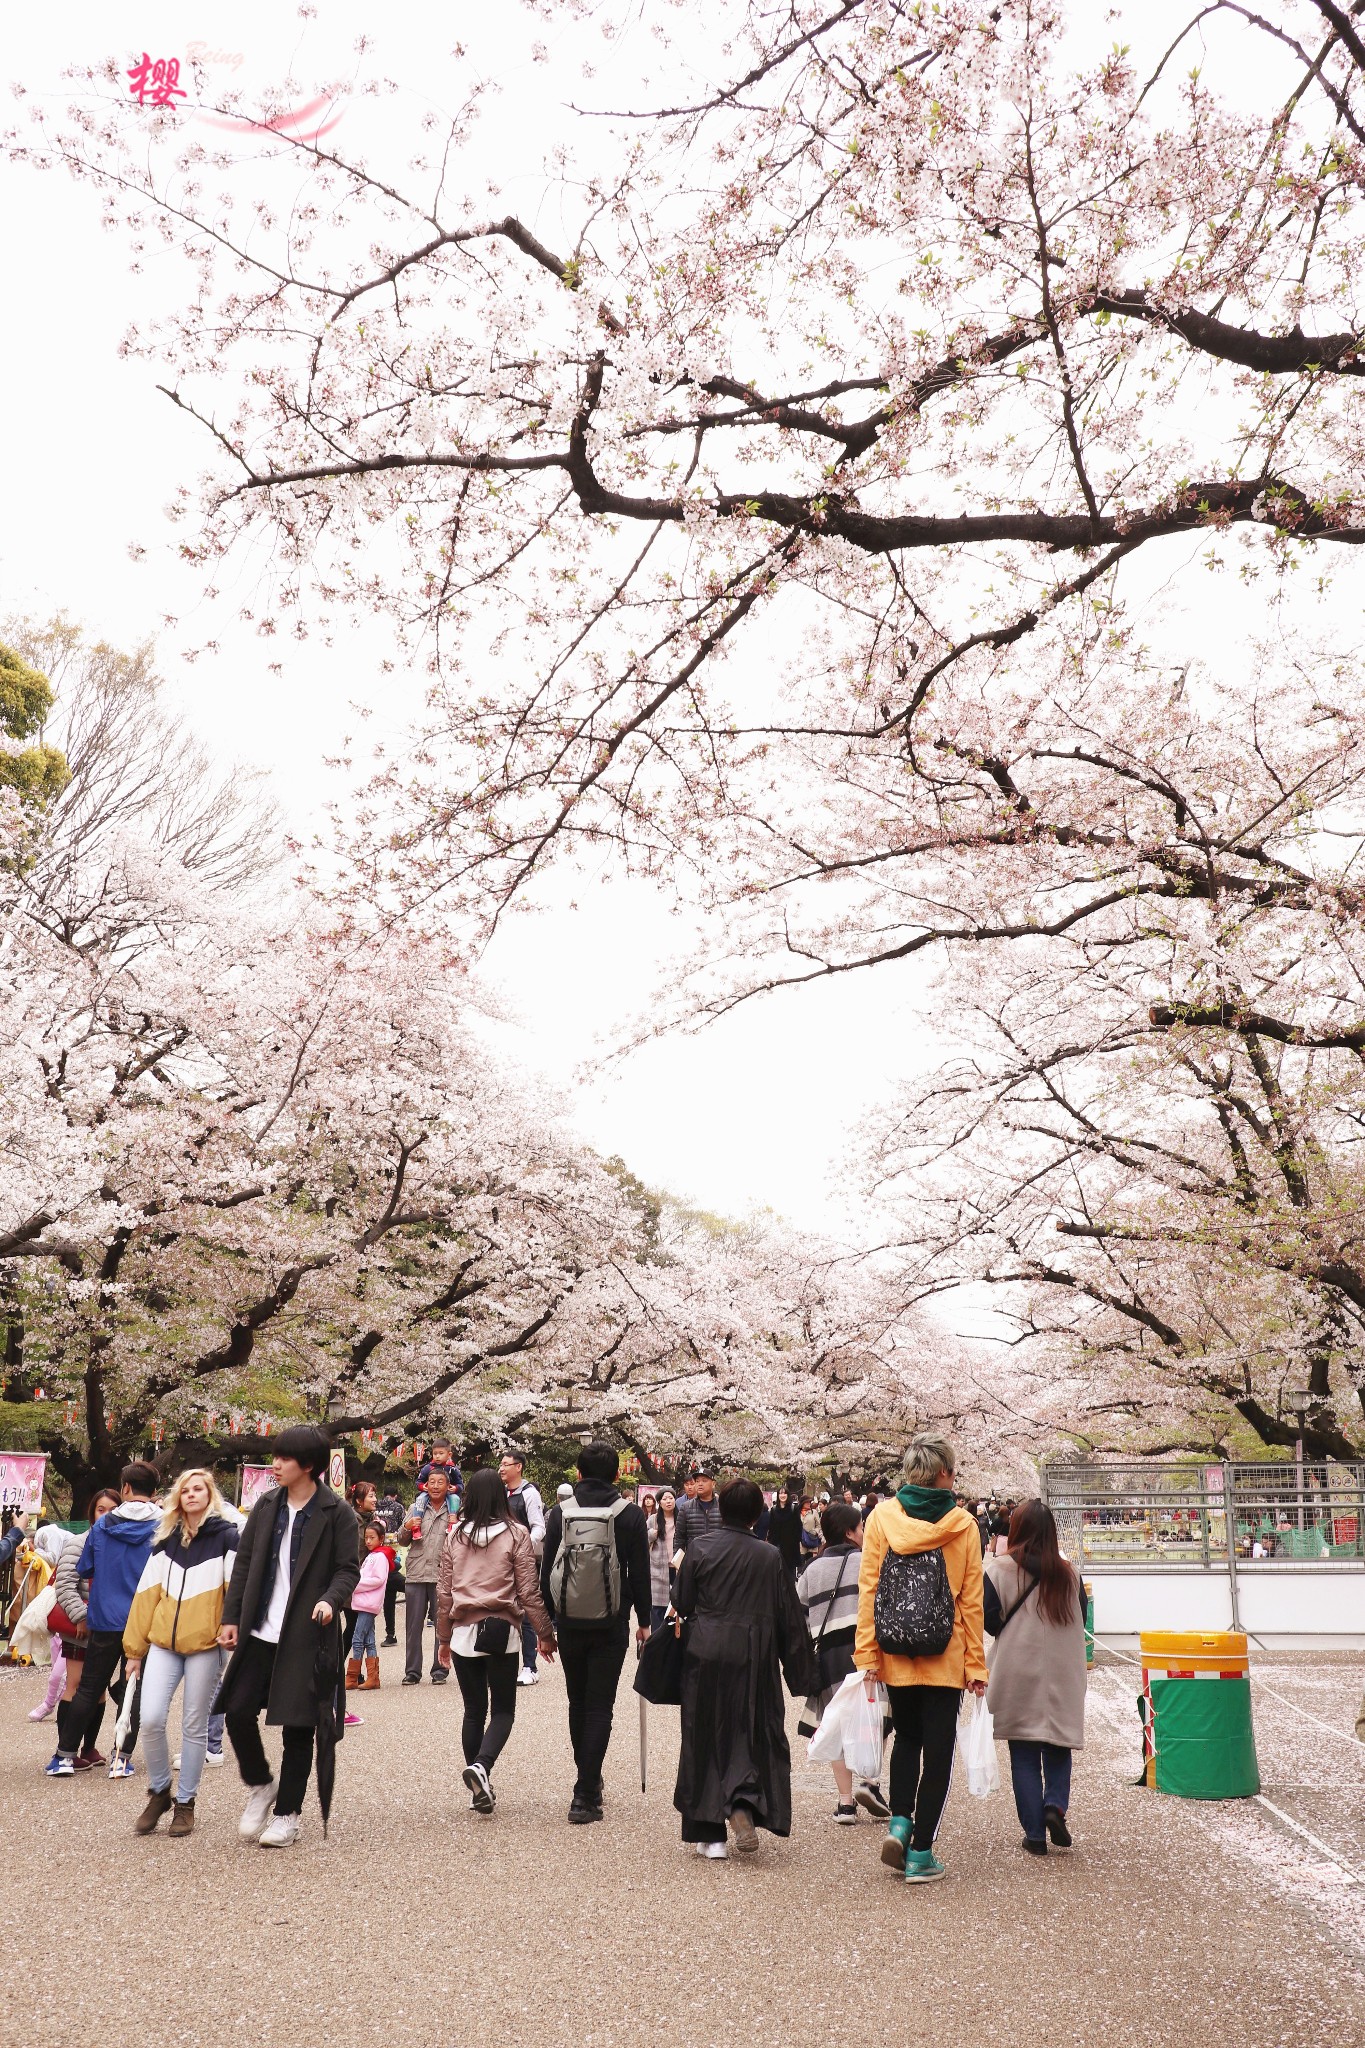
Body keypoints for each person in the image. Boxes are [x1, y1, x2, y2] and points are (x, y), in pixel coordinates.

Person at [216, 1425, 360, 1849]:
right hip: (261, 1630)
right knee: (237, 1711)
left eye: (283, 1459)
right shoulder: (266, 1505)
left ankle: (288, 1814)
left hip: (307, 1635)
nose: (274, 1465)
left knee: (298, 1727)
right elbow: (244, 1564)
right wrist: (231, 1617)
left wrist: (332, 1600)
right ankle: (261, 1784)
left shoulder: (337, 1512)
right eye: (274, 1457)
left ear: (309, 1466)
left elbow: (348, 1569)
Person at [855, 1433, 987, 1884]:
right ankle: (921, 1852)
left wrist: (867, 1655)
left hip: (896, 1652)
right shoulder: (963, 1525)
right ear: (945, 1473)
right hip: (945, 1655)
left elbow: (869, 1590)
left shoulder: (882, 1518)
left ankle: (899, 1822)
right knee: (939, 1751)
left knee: (907, 1739)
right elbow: (970, 1602)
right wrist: (976, 1666)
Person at [673, 1476, 813, 1859]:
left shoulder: (700, 1548)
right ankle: (742, 1802)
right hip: (753, 1651)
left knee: (702, 1733)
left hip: (705, 1651)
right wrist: (802, 1673)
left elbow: (681, 1601)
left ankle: (710, 1834)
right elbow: (788, 1618)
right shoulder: (769, 1557)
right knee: (750, 1731)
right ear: (757, 1514)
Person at [122, 1468, 240, 1839]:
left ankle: (186, 1803)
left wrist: (230, 1629)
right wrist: (135, 1650)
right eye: (185, 1490)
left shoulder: (227, 1537)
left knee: (194, 1725)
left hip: (206, 1645)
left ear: (209, 1495)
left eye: (198, 1489)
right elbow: (146, 1596)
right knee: (152, 1718)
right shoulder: (166, 1540)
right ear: (178, 1497)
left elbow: (234, 1589)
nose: (191, 1495)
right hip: (163, 1644)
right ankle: (159, 1792)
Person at [540, 1442, 651, 1823]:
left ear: (578, 1472)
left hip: (570, 1622)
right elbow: (639, 1572)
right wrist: (644, 1621)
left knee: (577, 1703)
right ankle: (586, 1792)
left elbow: (546, 1575)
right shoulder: (630, 1514)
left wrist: (548, 1625)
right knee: (600, 1705)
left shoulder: (560, 1513)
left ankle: (586, 1780)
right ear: (617, 1474)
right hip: (612, 1623)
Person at [435, 1467, 556, 1813]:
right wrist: (545, 1633)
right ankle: (482, 1767)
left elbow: (444, 1591)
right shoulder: (516, 1534)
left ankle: (478, 1790)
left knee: (473, 1711)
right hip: (501, 1631)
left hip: (461, 1634)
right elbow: (529, 1591)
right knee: (503, 1710)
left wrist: (443, 1638)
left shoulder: (455, 1536)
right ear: (502, 1498)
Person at [984, 1499, 1087, 1856]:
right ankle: (1055, 1807)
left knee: (1023, 1751)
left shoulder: (998, 1571)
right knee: (1058, 1745)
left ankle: (1034, 1834)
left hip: (1018, 1669)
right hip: (1062, 1671)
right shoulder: (1070, 1574)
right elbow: (1082, 1619)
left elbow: (989, 1621)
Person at [48, 1463, 160, 1778]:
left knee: (89, 1686)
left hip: (105, 1617)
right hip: (145, 1620)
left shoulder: (103, 1525)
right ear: (153, 1493)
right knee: (134, 1689)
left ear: (125, 1488)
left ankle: (65, 1756)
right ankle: (121, 1758)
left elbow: (85, 1567)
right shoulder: (165, 1525)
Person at [797, 1502, 890, 1823]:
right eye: (861, 1527)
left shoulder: (812, 1569)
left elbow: (800, 1613)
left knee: (836, 1724)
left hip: (829, 1656)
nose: (865, 1532)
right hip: (866, 1651)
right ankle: (870, 1782)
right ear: (850, 1532)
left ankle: (846, 1803)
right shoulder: (869, 1562)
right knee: (877, 1717)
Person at [401, 1465, 453, 1685]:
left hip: (442, 1573)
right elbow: (403, 1540)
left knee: (442, 1623)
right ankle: (412, 1671)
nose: (435, 1486)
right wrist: (406, 1526)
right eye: (431, 1482)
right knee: (413, 1626)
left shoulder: (454, 1511)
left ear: (448, 1486)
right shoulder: (416, 1507)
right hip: (416, 1572)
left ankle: (439, 1670)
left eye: (440, 1482)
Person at [499, 1450, 546, 1686]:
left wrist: (524, 1546)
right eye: (501, 1464)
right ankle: (503, 1665)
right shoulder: (499, 1493)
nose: (502, 1468)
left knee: (526, 1614)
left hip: (522, 1561)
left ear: (519, 1467)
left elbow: (539, 1527)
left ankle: (530, 1666)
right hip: (500, 1561)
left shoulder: (529, 1494)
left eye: (506, 1464)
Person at [347, 1522, 389, 1692]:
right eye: (367, 1538)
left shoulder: (380, 1557)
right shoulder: (373, 1555)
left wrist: (356, 1584)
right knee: (368, 1640)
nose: (368, 1541)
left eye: (372, 1538)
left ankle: (352, 1676)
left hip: (368, 1603)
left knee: (357, 1639)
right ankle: (373, 1677)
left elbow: (378, 1579)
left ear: (381, 1539)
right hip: (365, 1602)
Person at [673, 1464, 719, 1555]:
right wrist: (679, 1562)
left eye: (704, 1481)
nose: (700, 1484)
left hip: (718, 1559)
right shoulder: (686, 1507)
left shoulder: (723, 1506)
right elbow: (679, 1538)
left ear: (713, 1484)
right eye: (697, 1481)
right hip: (694, 1560)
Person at [648, 1488, 677, 1631]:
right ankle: (656, 1638)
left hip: (676, 1568)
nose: (668, 1501)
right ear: (659, 1502)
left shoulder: (681, 1518)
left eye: (671, 1498)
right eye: (665, 1499)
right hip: (657, 1568)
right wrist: (652, 1534)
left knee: (675, 1606)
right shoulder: (653, 1519)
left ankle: (671, 1639)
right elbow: (643, 1539)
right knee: (657, 1607)